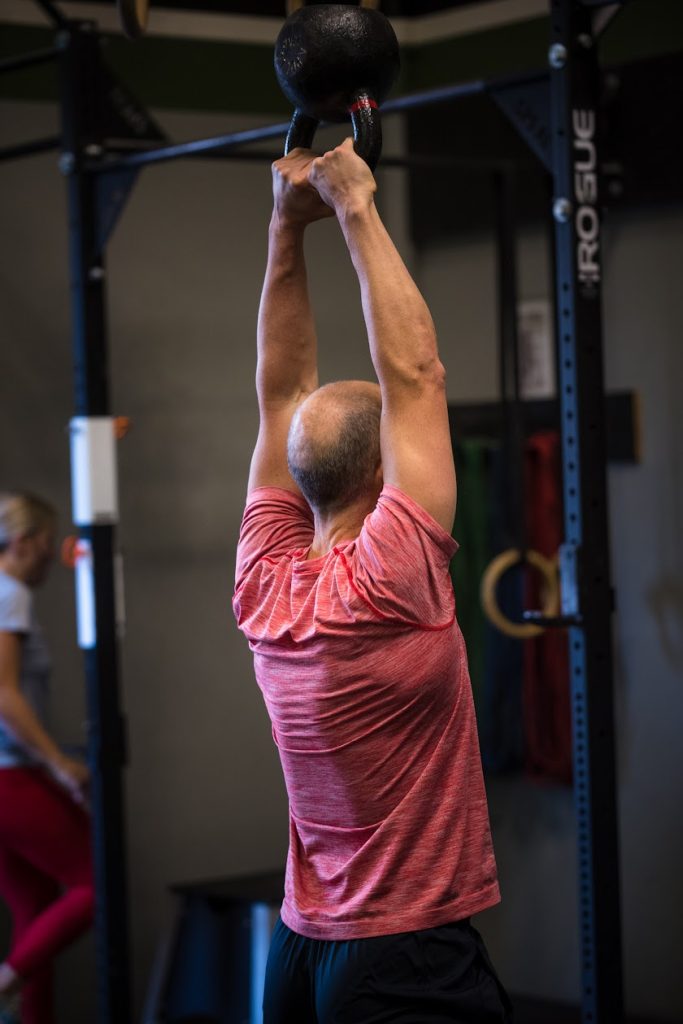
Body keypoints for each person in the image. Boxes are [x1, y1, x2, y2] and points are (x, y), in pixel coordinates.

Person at [233, 140, 512, 1022]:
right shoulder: (391, 577)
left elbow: (281, 397)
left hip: (301, 955)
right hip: (406, 956)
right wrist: (355, 206)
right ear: (382, 476)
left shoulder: (264, 583)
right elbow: (417, 375)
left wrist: (285, 230)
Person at [0, 493, 94, 1024]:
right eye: (43, 544)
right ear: (24, 542)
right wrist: (59, 763)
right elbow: (4, 695)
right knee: (95, 881)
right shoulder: (9, 593)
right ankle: (4, 985)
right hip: (11, 777)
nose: (46, 560)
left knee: (33, 910)